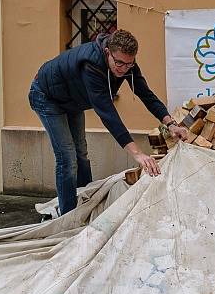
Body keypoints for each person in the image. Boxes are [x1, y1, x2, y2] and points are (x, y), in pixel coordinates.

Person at [29, 29, 188, 215]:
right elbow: (107, 113)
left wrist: (170, 123)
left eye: (129, 64)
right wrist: (137, 154)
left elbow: (145, 94)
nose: (123, 69)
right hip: (47, 96)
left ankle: (85, 202)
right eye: (118, 62)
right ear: (107, 53)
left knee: (81, 153)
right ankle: (68, 217)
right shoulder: (91, 65)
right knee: (67, 157)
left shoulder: (128, 65)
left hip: (72, 99)